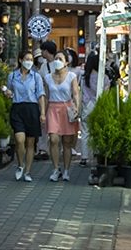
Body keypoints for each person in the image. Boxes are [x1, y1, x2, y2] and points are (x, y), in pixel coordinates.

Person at [4, 52, 46, 182]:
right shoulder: (12, 76)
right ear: (21, 60)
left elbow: (40, 94)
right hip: (17, 108)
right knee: (19, 139)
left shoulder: (36, 77)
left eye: (31, 59)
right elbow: (8, 91)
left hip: (32, 109)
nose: (29, 62)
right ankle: (20, 165)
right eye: (27, 59)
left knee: (30, 142)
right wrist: (7, 92)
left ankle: (27, 171)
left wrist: (43, 112)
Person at [45, 51, 81, 182]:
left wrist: (76, 107)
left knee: (67, 142)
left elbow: (76, 93)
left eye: (60, 59)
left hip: (67, 109)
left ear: (66, 62)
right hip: (53, 108)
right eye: (55, 58)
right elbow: (46, 95)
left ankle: (66, 170)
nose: (57, 61)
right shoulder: (48, 77)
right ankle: (55, 169)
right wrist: (43, 112)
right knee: (53, 139)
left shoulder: (72, 76)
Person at [78, 51, 108, 167]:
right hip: (98, 106)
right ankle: (97, 153)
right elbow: (105, 93)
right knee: (97, 132)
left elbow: (80, 93)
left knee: (85, 132)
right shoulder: (104, 77)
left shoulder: (84, 77)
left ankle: (84, 158)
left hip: (86, 107)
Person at [34, 41, 59, 158]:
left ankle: (58, 148)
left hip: (58, 99)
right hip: (46, 97)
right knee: (43, 124)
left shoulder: (59, 63)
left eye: (43, 50)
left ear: (47, 51)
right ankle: (42, 149)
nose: (42, 53)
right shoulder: (44, 66)